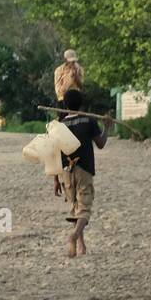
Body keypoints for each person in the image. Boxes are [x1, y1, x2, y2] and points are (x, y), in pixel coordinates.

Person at [57, 88, 112, 259]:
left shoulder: (60, 125)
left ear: (64, 104)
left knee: (75, 208)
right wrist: (107, 127)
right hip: (83, 170)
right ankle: (73, 237)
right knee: (85, 209)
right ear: (81, 103)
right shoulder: (88, 120)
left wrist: (55, 181)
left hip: (65, 172)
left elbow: (54, 154)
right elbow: (101, 143)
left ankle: (81, 245)